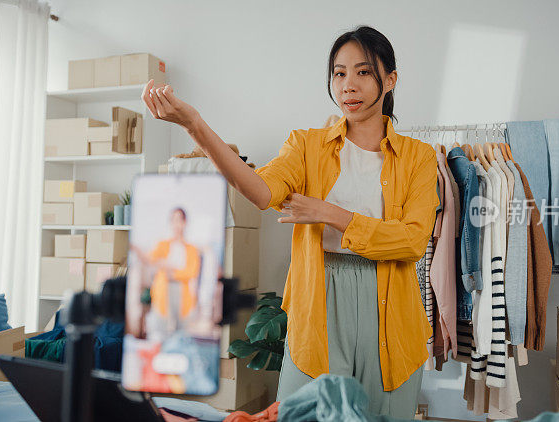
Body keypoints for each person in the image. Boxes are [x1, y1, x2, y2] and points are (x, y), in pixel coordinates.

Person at [141, 26, 439, 419]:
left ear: (390, 80)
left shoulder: (419, 157)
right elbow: (261, 191)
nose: (348, 84)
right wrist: (194, 124)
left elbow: (413, 242)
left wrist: (327, 212)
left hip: (390, 308)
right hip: (319, 297)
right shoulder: (306, 145)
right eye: (339, 73)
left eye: (363, 72)